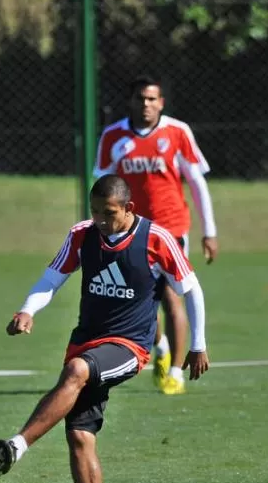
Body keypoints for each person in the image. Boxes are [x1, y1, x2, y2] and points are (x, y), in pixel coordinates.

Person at [0, 174, 209, 483]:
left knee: (77, 371)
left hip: (130, 347)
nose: (101, 221)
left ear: (129, 209)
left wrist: (197, 345)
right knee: (79, 436)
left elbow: (191, 289)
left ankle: (18, 444)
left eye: (108, 213)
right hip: (87, 340)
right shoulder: (83, 234)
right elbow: (52, 278)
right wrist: (28, 310)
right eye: (94, 213)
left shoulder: (157, 239)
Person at [93, 75, 217, 395]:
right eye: (140, 98)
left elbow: (197, 183)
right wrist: (100, 228)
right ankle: (159, 347)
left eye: (152, 99)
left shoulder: (177, 132)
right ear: (130, 101)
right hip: (131, 231)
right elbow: (103, 188)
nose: (146, 104)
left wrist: (210, 231)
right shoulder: (113, 137)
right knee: (138, 299)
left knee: (173, 295)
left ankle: (175, 372)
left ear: (161, 102)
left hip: (171, 229)